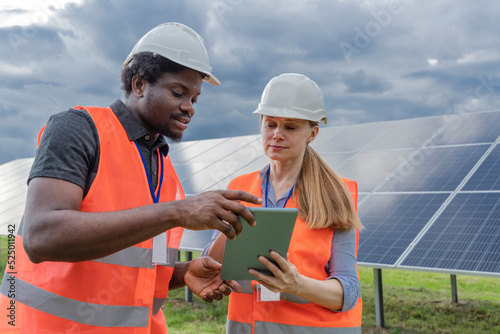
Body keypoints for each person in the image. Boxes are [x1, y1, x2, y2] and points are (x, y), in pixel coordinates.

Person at [0, 22, 262, 333]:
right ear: (139, 85)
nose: (189, 108)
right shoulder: (79, 129)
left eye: (195, 98)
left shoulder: (167, 176)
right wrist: (179, 212)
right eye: (178, 92)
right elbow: (40, 237)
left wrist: (184, 272)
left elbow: (139, 268)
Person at [203, 73, 363, 333]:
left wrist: (296, 285)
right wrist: (231, 224)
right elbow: (210, 264)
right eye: (270, 124)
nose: (277, 134)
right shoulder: (239, 189)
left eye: (290, 127)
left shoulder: (337, 193)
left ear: (312, 133)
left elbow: (348, 291)